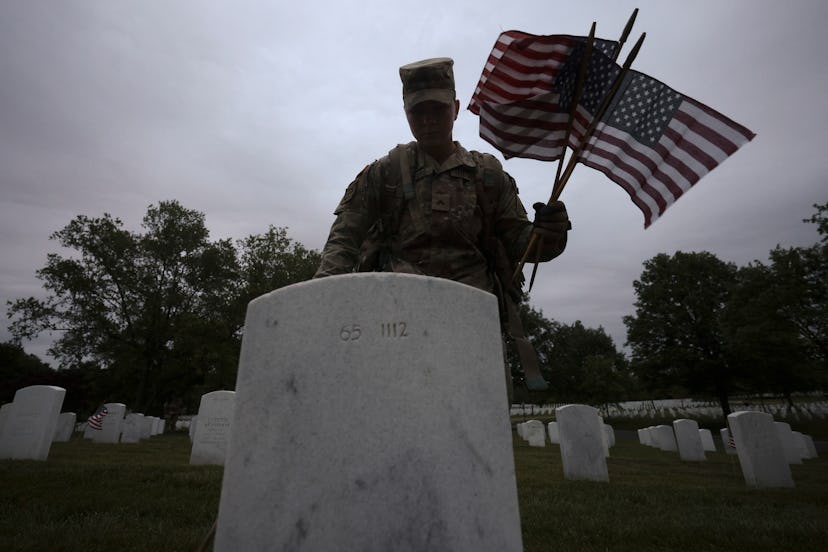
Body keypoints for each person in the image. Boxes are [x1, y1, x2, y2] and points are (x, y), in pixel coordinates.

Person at [314, 57, 571, 400]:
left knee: (477, 422)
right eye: (417, 112)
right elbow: (345, 236)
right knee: (397, 414)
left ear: (456, 108)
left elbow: (523, 246)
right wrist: (321, 298)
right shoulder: (386, 172)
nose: (428, 120)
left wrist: (549, 233)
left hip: (472, 320)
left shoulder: (487, 175)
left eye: (437, 109)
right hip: (397, 320)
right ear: (406, 114)